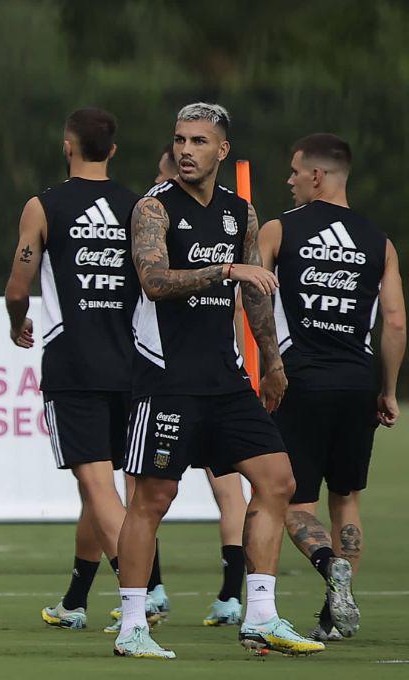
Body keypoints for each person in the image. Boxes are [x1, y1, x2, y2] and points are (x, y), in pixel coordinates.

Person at [114, 103, 324, 658]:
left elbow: (256, 293)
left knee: (277, 481)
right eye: (180, 139)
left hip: (226, 380)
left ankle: (261, 616)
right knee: (152, 498)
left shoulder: (240, 212)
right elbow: (154, 280)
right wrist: (227, 270)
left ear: (222, 150)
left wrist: (272, 363)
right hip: (166, 378)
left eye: (199, 141)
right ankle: (132, 627)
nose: (186, 150)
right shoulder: (152, 207)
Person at [260, 133, 406, 640]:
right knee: (346, 500)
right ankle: (332, 618)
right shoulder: (379, 242)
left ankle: (328, 564)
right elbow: (395, 322)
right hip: (358, 381)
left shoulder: (279, 229)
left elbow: (252, 300)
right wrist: (387, 390)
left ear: (317, 176)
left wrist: (266, 366)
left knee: (294, 503)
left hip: (300, 380)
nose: (290, 180)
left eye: (295, 171)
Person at [2, 107, 141, 632]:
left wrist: (17, 322)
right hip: (132, 363)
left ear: (67, 146)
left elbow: (18, 288)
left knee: (99, 487)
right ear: (113, 150)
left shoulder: (43, 206)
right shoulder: (140, 207)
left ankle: (142, 593)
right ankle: (75, 600)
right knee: (98, 486)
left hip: (74, 363)